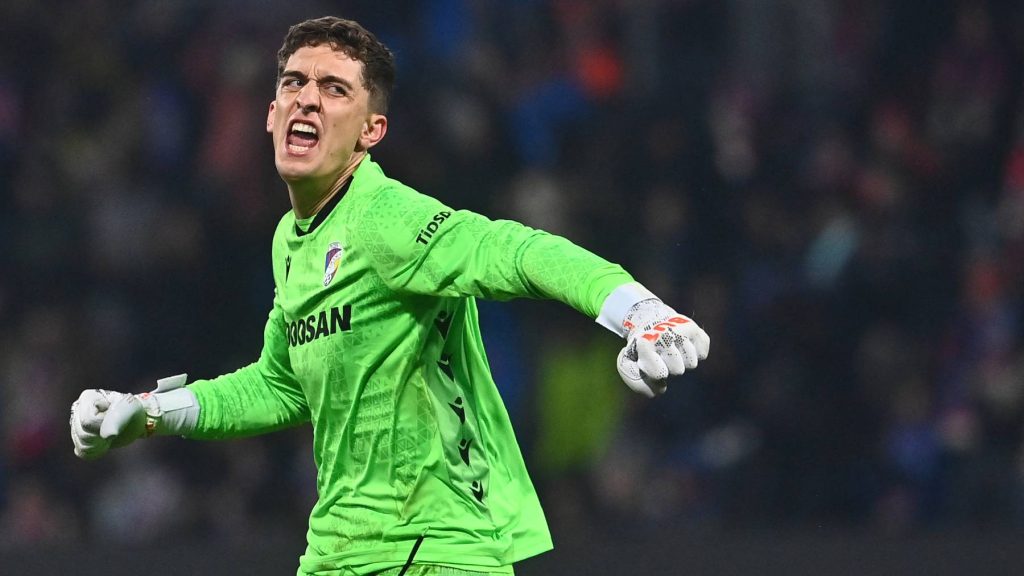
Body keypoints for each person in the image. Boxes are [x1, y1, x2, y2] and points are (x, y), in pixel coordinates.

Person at [69, 16, 710, 576]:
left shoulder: (386, 219)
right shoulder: (290, 240)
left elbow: (513, 250)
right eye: (293, 83)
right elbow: (280, 383)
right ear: (269, 115)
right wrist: (150, 410)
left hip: (435, 547)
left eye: (334, 89)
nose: (307, 101)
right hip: (339, 552)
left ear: (371, 130)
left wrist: (640, 311)